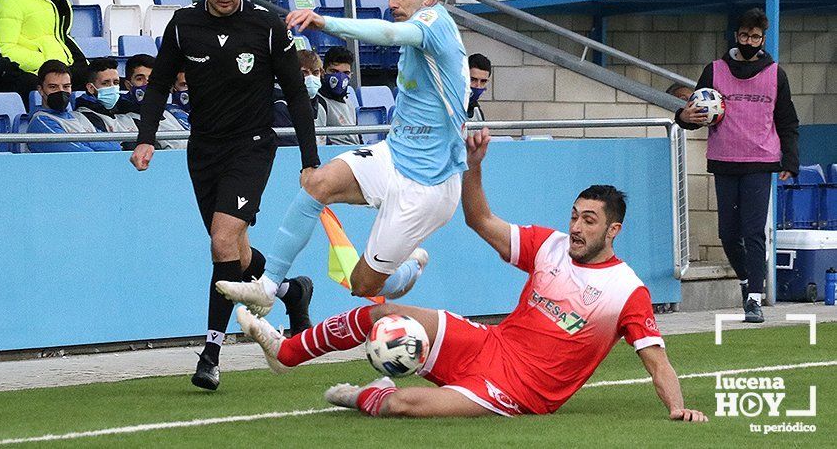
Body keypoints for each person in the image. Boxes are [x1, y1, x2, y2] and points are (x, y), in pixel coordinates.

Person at [237, 128, 707, 422]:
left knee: (403, 406)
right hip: (489, 344)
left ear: (613, 229)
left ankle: (368, 394)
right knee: (381, 312)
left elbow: (656, 360)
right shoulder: (551, 245)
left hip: (518, 392)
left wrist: (676, 407)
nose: (577, 227)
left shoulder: (627, 291)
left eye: (589, 220)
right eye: (575, 216)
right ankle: (287, 352)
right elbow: (480, 221)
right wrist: (473, 168)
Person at [217, 0, 469, 315]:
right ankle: (267, 287)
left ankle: (412, 264)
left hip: (430, 185)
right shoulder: (421, 33)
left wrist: (325, 22)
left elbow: (387, 33)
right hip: (394, 155)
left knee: (362, 285)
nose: (392, 2)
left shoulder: (434, 22)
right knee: (317, 183)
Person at [128, 0, 317, 391]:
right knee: (232, 251)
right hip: (204, 150)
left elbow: (295, 93)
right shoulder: (183, 25)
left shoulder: (268, 26)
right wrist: (146, 138)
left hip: (252, 147)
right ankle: (292, 291)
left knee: (221, 238)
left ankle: (211, 351)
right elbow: (157, 87)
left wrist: (311, 161)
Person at [676, 8, 799, 324]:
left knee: (753, 230)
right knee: (728, 234)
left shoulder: (776, 74)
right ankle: (747, 280)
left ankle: (754, 299)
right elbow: (695, 111)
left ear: (762, 38)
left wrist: (791, 160)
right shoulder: (715, 71)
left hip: (760, 160)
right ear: (736, 35)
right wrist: (682, 117)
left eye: (755, 37)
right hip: (725, 160)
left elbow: (787, 121)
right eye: (744, 35)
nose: (749, 41)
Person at [26, 59, 120, 152]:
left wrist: (82, 141)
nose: (61, 91)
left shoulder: (79, 116)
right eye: (53, 87)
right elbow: (81, 154)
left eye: (66, 86)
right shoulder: (41, 122)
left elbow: (115, 146)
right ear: (41, 90)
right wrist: (89, 141)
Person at [121, 53, 188, 148]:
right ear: (128, 85)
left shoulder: (169, 112)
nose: (147, 84)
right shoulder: (122, 115)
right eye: (140, 79)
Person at [273, 49, 326, 146]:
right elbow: (290, 148)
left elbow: (327, 144)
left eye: (315, 73)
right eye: (304, 73)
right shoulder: (281, 107)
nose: (310, 77)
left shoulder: (321, 107)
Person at [74, 57, 139, 133]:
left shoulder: (127, 110)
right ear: (91, 88)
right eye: (105, 83)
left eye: (116, 83)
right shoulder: (83, 117)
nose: (112, 87)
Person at [317, 46, 359, 146]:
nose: (340, 77)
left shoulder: (349, 103)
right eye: (334, 72)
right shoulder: (318, 103)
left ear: (351, 75)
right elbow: (320, 143)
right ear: (323, 72)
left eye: (346, 73)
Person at [467, 53, 490, 122]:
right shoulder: (447, 107)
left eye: (483, 81)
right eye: (473, 80)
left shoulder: (477, 112)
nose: (478, 86)